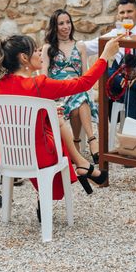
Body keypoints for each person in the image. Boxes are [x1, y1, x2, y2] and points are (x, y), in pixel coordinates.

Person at [0, 34, 122, 198]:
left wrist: (46, 113)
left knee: (55, 119)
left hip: (2, 151)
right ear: (24, 58)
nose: (40, 53)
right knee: (56, 129)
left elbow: (16, 117)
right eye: (36, 50)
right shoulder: (39, 85)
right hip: (35, 154)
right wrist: (104, 56)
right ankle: (69, 175)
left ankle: (80, 166)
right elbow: (83, 83)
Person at [42, 10, 100, 164]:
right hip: (58, 90)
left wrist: (78, 85)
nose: (66, 26)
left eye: (68, 22)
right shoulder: (48, 48)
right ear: (54, 27)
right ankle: (91, 140)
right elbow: (43, 77)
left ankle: (77, 142)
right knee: (80, 96)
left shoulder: (80, 45)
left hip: (76, 87)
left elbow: (84, 75)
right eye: (61, 23)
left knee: (79, 96)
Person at [84, 0, 136, 121]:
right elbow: (88, 47)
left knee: (130, 91)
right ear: (118, 15)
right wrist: (58, 45)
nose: (126, 15)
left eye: (129, 11)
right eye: (122, 12)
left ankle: (132, 137)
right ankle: (134, 138)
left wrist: (133, 75)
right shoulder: (115, 34)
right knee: (106, 71)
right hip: (122, 78)